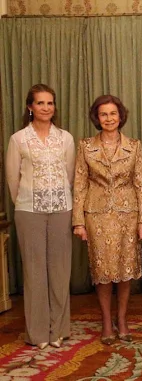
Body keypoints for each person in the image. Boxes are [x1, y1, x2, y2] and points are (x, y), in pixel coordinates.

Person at [72, 95, 142, 344]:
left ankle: (123, 318)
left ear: (120, 116)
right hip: (97, 217)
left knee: (125, 271)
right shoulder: (85, 146)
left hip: (128, 215)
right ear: (97, 117)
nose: (109, 119)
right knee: (102, 271)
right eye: (104, 114)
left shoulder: (134, 146)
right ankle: (107, 320)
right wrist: (78, 222)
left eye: (113, 114)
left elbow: (140, 184)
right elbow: (79, 185)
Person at [5, 84, 75, 349]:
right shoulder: (18, 139)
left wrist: (57, 199)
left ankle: (58, 330)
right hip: (28, 210)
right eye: (41, 103)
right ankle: (37, 334)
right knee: (34, 273)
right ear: (30, 107)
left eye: (50, 103)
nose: (46, 108)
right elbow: (13, 179)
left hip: (61, 209)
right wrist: (26, 201)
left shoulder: (66, 138)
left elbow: (69, 176)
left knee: (59, 270)